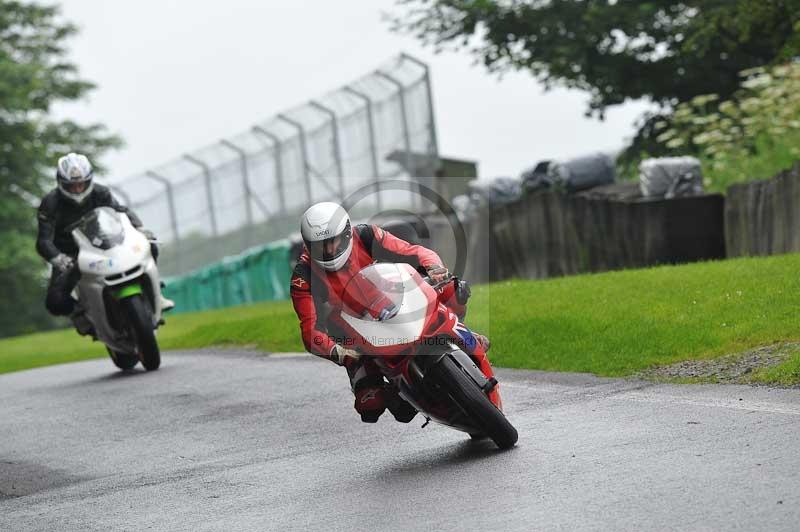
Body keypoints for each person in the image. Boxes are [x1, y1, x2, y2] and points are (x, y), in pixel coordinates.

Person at [290, 201, 493, 423]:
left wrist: (433, 268)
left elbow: (414, 252)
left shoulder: (367, 235)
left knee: (454, 289)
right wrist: (339, 352)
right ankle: (399, 394)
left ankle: (466, 336)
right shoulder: (303, 277)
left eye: (332, 241)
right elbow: (310, 332)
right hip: (353, 334)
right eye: (320, 245)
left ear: (347, 233)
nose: (328, 250)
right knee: (370, 404)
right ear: (308, 244)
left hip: (391, 299)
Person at [36, 153, 174, 335]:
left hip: (102, 242)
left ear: (90, 180)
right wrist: (59, 259)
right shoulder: (50, 203)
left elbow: (120, 211)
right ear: (61, 182)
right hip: (69, 254)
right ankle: (80, 315)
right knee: (55, 302)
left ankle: (157, 294)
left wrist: (139, 229)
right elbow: (43, 240)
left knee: (150, 245)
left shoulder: (101, 192)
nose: (77, 189)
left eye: (82, 184)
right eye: (72, 185)